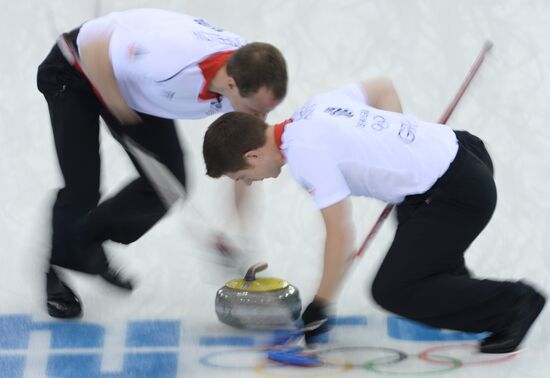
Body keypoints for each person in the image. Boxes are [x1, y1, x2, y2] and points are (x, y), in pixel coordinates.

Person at [202, 78, 546, 353]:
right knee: (422, 263)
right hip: (460, 153)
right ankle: (464, 290)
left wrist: (320, 304)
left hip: (457, 192)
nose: (249, 182)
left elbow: (339, 234)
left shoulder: (304, 155)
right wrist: (399, 142)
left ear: (252, 155)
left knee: (392, 289)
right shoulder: (312, 109)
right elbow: (382, 87)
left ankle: (515, 303)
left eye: (242, 177)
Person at [37, 8, 288, 319]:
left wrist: (238, 231)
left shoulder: (250, 75)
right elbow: (95, 44)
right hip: (76, 70)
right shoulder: (171, 62)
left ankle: (83, 241)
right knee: (82, 186)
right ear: (233, 86)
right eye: (256, 110)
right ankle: (56, 272)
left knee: (168, 185)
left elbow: (243, 160)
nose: (260, 119)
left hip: (136, 87)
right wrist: (116, 104)